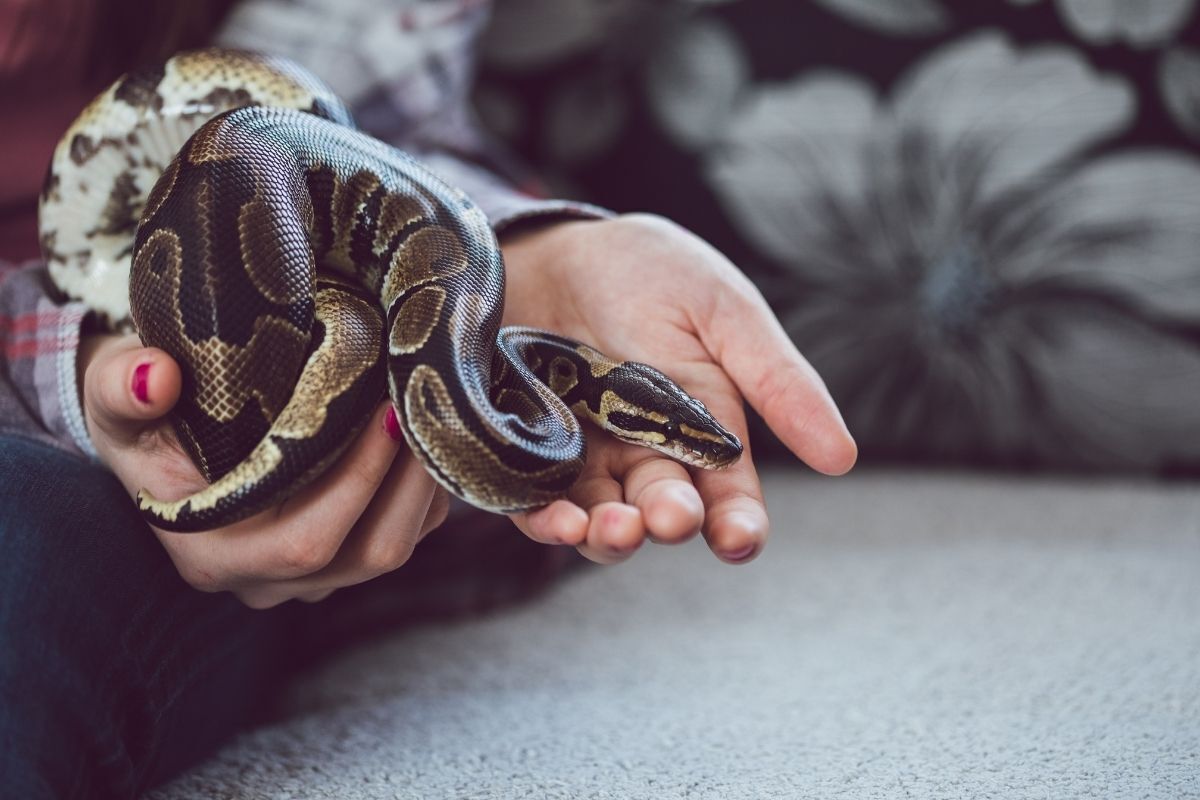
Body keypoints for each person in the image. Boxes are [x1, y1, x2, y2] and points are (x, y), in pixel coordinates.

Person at [0, 0, 857, 796]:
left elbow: (347, 145)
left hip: (194, 528)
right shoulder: (522, 408)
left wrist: (534, 250)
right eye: (684, 432)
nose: (695, 442)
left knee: (23, 546)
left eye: (686, 432)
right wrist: (70, 362)